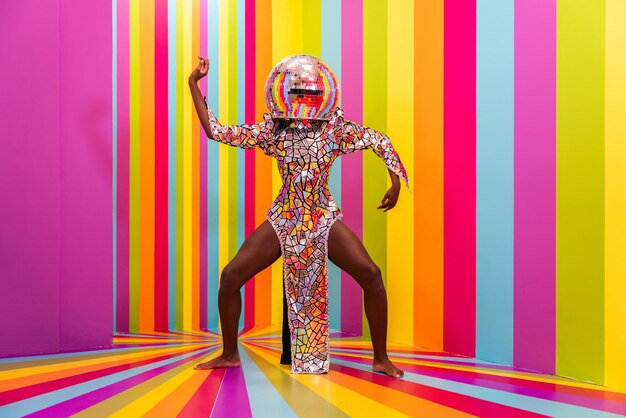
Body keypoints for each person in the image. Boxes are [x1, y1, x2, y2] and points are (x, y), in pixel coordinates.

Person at [189, 54, 410, 378]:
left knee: (372, 276)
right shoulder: (273, 132)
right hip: (285, 217)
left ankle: (381, 358)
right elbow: (216, 131)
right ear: (285, 96)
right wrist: (193, 82)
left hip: (321, 217)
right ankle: (229, 353)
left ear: (321, 96)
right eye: (298, 94)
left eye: (311, 94)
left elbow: (379, 140)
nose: (304, 101)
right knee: (230, 277)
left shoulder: (335, 131)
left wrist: (395, 182)